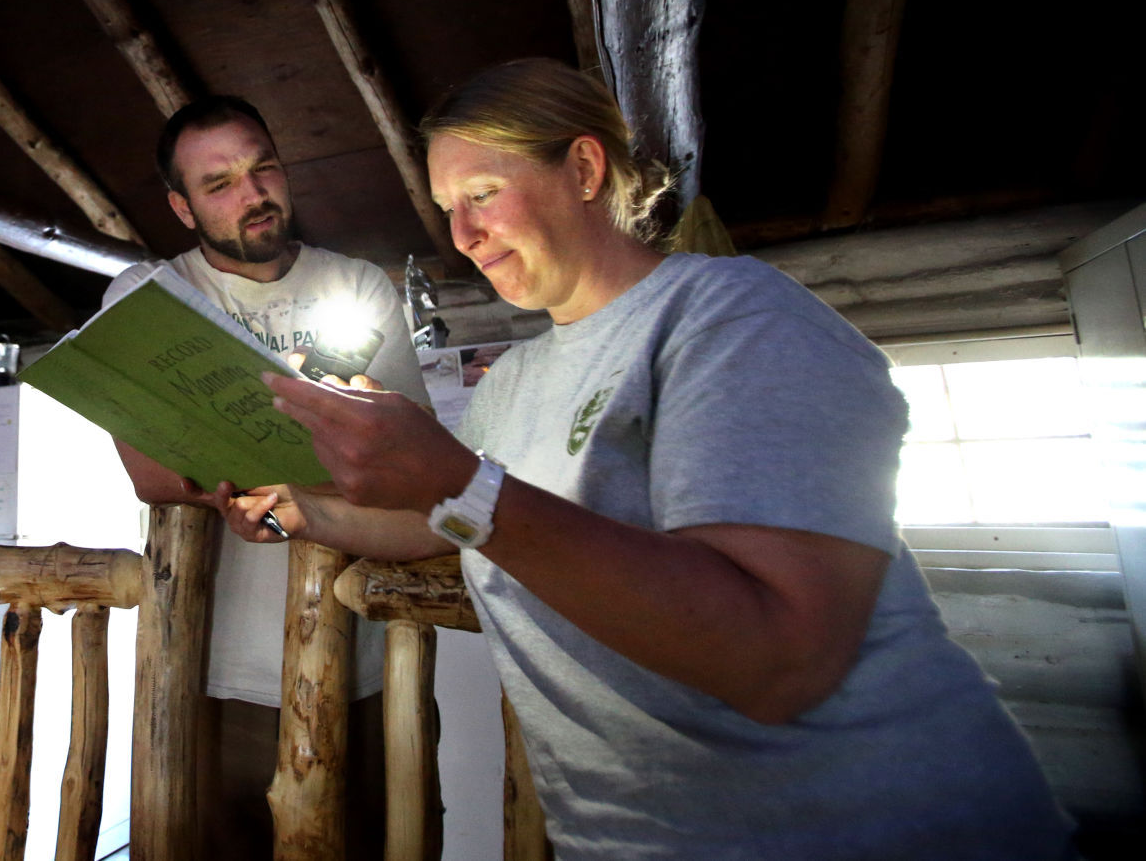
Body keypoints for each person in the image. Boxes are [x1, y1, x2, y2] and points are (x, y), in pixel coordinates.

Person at [218, 59, 1075, 860]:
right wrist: (307, 509)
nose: (465, 234)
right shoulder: (514, 383)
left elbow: (780, 658)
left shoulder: (730, 318)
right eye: (448, 207)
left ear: (584, 172)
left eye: (482, 192)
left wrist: (453, 479)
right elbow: (450, 520)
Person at [103, 95, 430, 861]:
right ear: (181, 208)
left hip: (364, 662)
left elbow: (409, 464)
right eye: (218, 184)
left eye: (263, 167)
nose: (252, 194)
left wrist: (243, 462)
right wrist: (315, 454)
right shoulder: (148, 296)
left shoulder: (359, 285)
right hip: (210, 669)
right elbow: (151, 473)